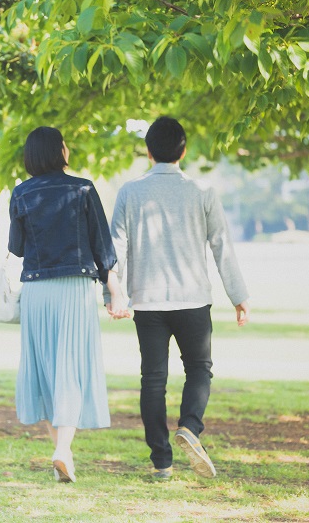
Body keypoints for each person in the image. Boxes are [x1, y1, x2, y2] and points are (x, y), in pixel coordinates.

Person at [104, 116, 250, 480]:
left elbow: (114, 249)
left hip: (148, 303)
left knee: (152, 379)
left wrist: (113, 293)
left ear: (149, 152)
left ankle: (162, 463)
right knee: (199, 369)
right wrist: (238, 295)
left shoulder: (130, 192)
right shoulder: (202, 190)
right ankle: (190, 427)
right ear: (183, 151)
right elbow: (221, 245)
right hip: (193, 299)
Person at [8, 126, 129, 483]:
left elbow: (16, 248)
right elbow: (102, 247)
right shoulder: (82, 188)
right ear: (59, 151)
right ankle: (63, 451)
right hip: (73, 289)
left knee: (46, 372)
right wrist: (115, 293)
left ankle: (64, 454)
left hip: (36, 292)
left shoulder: (21, 193)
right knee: (71, 368)